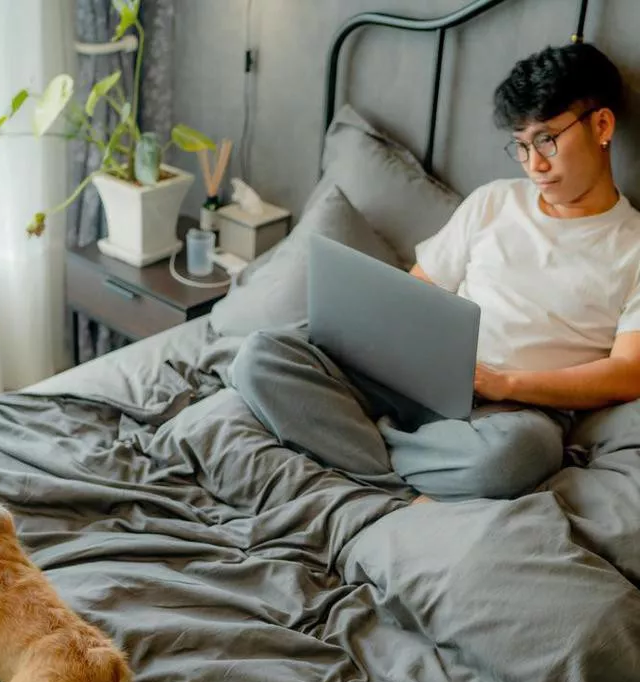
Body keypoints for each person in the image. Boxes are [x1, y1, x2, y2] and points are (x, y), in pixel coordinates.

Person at [230, 42, 640, 503]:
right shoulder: (494, 201)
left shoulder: (633, 246)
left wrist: (505, 383)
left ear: (602, 125)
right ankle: (409, 472)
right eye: (522, 146)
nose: (535, 165)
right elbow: (421, 286)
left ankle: (362, 449)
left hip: (511, 411)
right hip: (423, 374)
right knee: (260, 355)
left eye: (547, 139)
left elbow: (629, 373)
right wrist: (382, 339)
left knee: (521, 454)